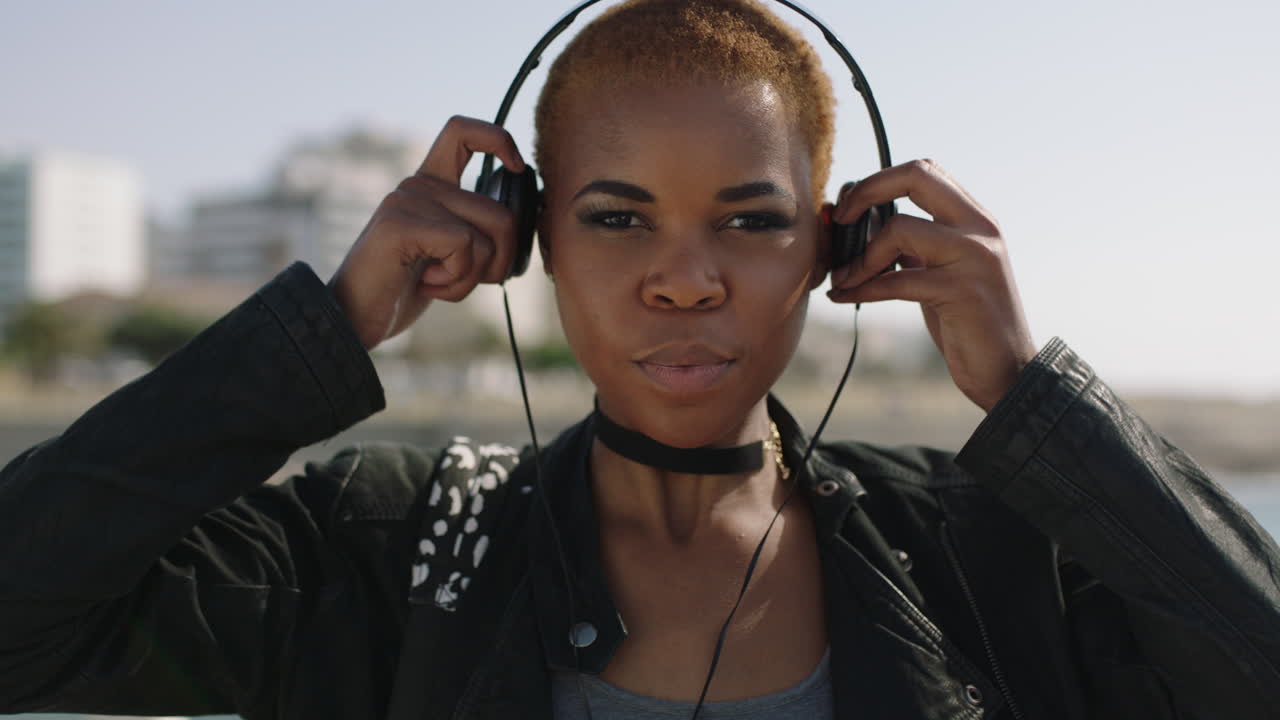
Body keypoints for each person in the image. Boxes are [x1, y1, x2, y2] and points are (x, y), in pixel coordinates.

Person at [2, 0, 1278, 718]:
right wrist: (328, 328)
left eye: (750, 217)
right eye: (615, 218)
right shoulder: (383, 552)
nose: (685, 277)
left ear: (836, 242)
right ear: (529, 242)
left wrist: (1026, 398)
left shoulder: (978, 552)